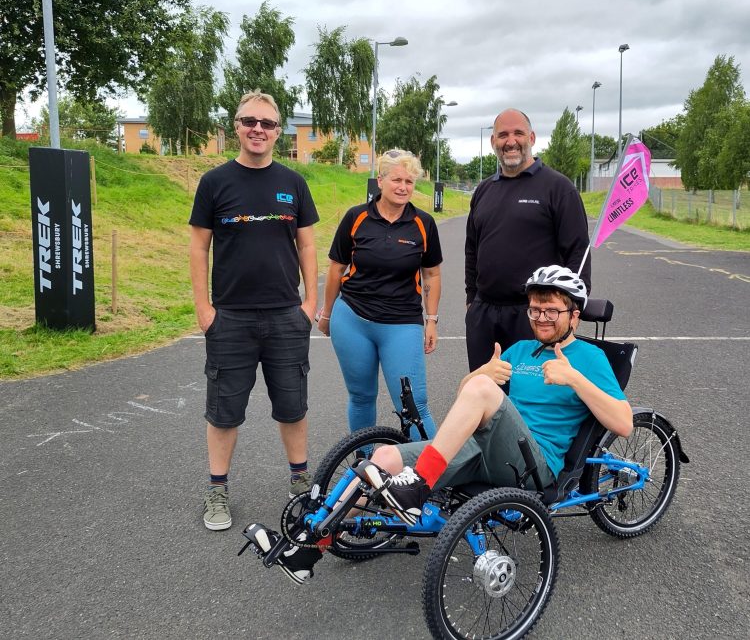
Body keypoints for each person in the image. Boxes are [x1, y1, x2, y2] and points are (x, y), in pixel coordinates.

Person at [241, 265, 631, 580]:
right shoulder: (521, 349)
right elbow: (470, 392)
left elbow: (624, 423)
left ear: (574, 316)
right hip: (485, 448)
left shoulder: (590, 358)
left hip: (533, 466)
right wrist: (484, 372)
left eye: (551, 311)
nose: (541, 318)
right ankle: (309, 545)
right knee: (384, 458)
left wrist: (575, 379)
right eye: (535, 309)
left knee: (477, 393)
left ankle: (418, 485)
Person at [189, 90, 319, 531]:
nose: (257, 129)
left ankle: (301, 484)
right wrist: (204, 308)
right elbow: (198, 245)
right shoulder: (215, 182)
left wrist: (310, 304)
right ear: (236, 126)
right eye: (250, 121)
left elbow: (307, 244)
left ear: (278, 132)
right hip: (230, 318)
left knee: (292, 406)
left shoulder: (293, 183)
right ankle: (217, 490)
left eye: (266, 123)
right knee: (223, 410)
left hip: (286, 315)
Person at [316, 149, 443, 440]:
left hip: (401, 323)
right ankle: (365, 463)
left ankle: (431, 476)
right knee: (361, 397)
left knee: (414, 405)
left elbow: (432, 274)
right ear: (380, 181)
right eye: (396, 179)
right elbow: (336, 269)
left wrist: (432, 320)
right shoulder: (356, 217)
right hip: (352, 319)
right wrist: (326, 314)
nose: (403, 187)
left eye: (409, 182)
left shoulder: (423, 224)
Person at [465, 109, 592, 371]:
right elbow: (472, 250)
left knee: (531, 399)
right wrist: (471, 301)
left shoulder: (558, 188)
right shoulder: (484, 190)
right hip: (484, 315)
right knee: (483, 394)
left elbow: (578, 251)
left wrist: (570, 309)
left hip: (535, 314)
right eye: (503, 135)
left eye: (518, 133)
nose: (510, 141)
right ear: (493, 142)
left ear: (531, 137)